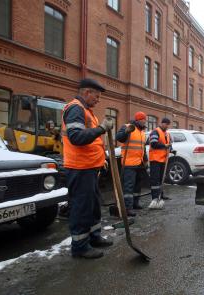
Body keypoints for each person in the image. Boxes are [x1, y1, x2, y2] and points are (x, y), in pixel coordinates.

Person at [62, 78, 114, 259]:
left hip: (90, 167)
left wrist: (102, 159)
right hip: (79, 168)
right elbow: (76, 137)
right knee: (81, 207)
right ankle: (80, 247)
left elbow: (93, 142)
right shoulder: (75, 108)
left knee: (92, 205)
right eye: (97, 96)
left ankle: (94, 236)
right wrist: (101, 128)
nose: (98, 100)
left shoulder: (87, 112)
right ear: (86, 92)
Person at [116, 112, 148, 217]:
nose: (145, 121)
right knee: (129, 187)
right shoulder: (127, 127)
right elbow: (119, 137)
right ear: (138, 120)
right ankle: (127, 207)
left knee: (138, 185)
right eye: (143, 119)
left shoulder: (142, 132)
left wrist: (145, 159)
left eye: (145, 119)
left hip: (139, 162)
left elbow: (142, 148)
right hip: (128, 163)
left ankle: (135, 203)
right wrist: (126, 131)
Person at [148, 118, 174, 202]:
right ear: (162, 123)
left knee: (162, 178)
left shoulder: (167, 134)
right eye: (166, 124)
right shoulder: (155, 132)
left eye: (168, 125)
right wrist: (165, 146)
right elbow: (154, 144)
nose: (167, 126)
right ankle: (155, 197)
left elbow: (169, 145)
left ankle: (161, 194)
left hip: (163, 160)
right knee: (155, 180)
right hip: (155, 160)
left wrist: (171, 149)